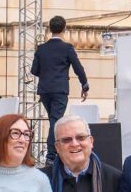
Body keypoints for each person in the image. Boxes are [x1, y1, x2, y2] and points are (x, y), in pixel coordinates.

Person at [31, 16, 89, 164]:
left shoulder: (41, 49)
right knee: (55, 121)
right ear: (64, 29)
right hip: (60, 90)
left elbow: (34, 70)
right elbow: (78, 68)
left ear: (50, 29)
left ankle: (53, 153)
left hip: (44, 90)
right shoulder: (67, 48)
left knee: (54, 120)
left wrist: (47, 75)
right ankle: (51, 156)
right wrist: (84, 85)